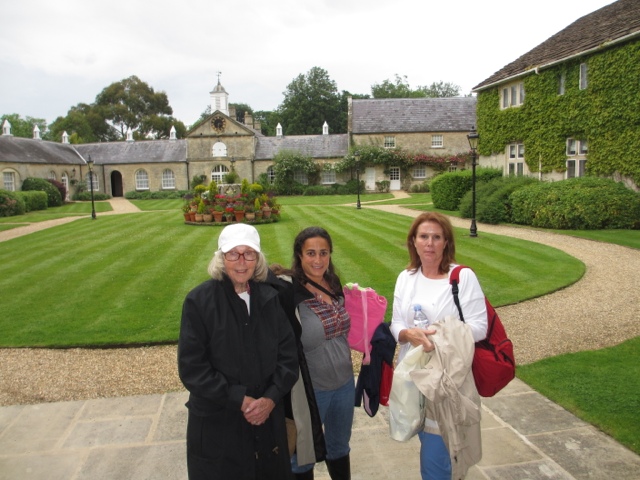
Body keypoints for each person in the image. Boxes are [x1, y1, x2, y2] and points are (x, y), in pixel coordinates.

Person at [178, 223, 299, 480]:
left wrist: (270, 398)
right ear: (221, 258)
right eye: (233, 253)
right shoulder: (199, 302)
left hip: (266, 421)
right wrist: (239, 399)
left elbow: (288, 357)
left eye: (249, 253)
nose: (242, 261)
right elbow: (193, 369)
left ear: (258, 259)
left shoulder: (270, 298)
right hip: (219, 425)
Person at [390, 212, 488, 480]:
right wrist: (407, 334)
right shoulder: (406, 277)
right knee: (427, 438)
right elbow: (396, 323)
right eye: (423, 236)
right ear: (413, 241)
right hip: (413, 376)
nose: (429, 243)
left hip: (445, 378)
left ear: (446, 242)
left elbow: (480, 327)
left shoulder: (461, 278)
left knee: (437, 456)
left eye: (436, 237)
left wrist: (435, 337)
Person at [270, 226, 354, 480]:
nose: (318, 260)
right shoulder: (290, 292)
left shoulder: (333, 284)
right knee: (302, 456)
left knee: (340, 447)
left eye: (323, 252)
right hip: (310, 390)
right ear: (299, 255)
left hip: (344, 384)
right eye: (311, 253)